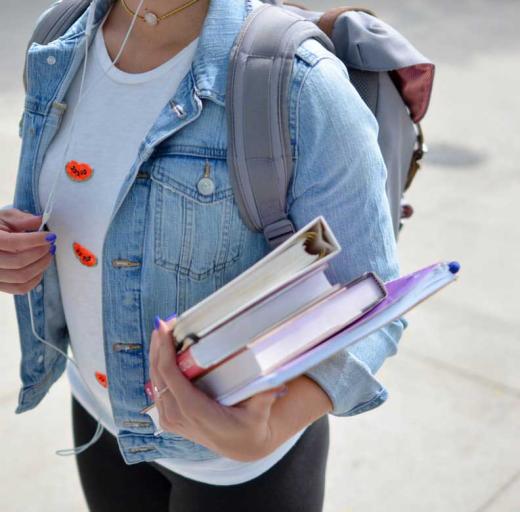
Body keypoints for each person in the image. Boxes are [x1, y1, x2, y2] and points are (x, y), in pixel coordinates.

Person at [3, 0, 406, 510]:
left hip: (241, 468)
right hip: (100, 415)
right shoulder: (59, 36)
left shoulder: (300, 83)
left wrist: (268, 429)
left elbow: (372, 300)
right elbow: (75, 199)